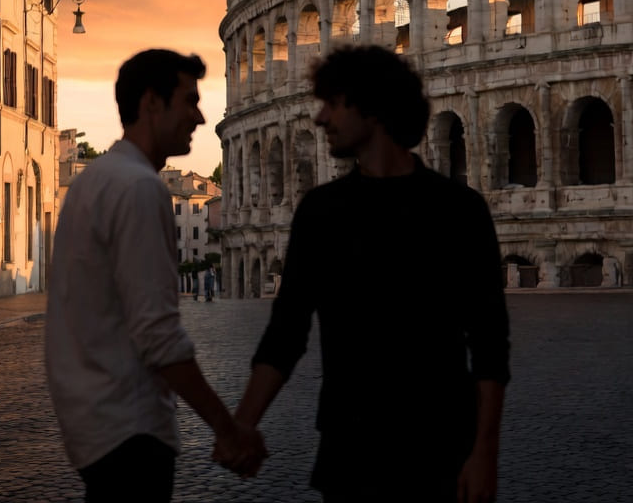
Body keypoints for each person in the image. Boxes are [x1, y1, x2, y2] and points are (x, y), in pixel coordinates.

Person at [228, 45, 510, 503]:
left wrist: (485, 453)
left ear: (373, 107)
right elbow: (286, 333)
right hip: (350, 449)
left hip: (439, 452)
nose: (320, 118)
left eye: (333, 103)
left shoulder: (458, 211)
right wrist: (242, 423)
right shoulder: (321, 212)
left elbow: (490, 344)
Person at [46, 49, 266, 502]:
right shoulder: (140, 189)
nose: (200, 117)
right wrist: (227, 428)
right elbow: (158, 335)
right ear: (151, 103)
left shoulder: (93, 181)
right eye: (188, 101)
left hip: (92, 425)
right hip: (131, 430)